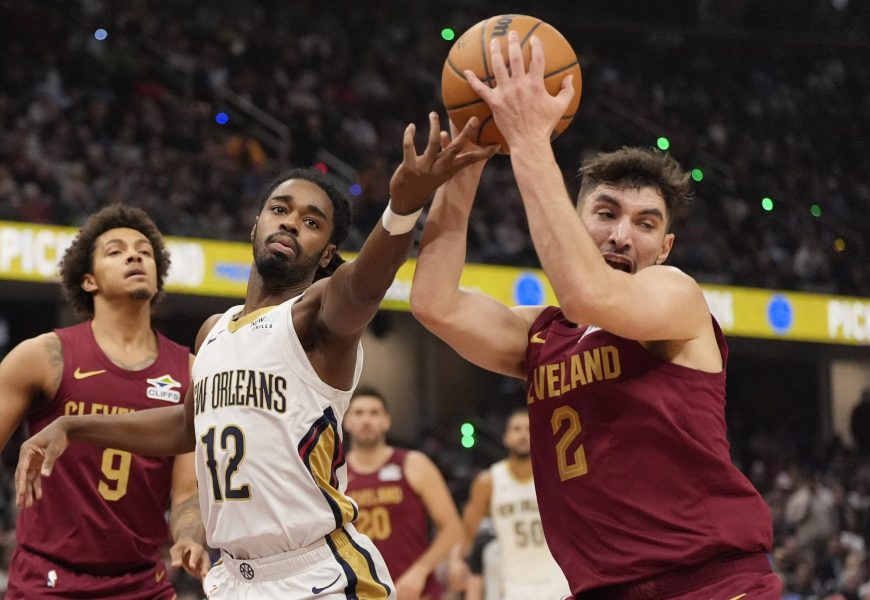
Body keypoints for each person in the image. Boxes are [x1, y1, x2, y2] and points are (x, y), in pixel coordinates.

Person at [16, 112, 496, 599]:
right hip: (234, 578)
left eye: (311, 222)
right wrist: (73, 426)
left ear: (326, 254)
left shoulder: (315, 316)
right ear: (255, 226)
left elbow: (363, 286)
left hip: (319, 574)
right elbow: (185, 426)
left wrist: (402, 207)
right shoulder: (213, 331)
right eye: (280, 209)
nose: (291, 222)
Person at [410, 33, 781, 599]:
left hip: (709, 582)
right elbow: (434, 304)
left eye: (646, 224)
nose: (621, 235)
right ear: (575, 219)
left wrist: (528, 138)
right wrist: (470, 159)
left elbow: (588, 294)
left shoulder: (676, 296)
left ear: (665, 248)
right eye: (605, 213)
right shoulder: (542, 335)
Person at [0, 204, 208, 598]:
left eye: (144, 252)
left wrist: (188, 535)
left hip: (142, 583)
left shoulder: (191, 370)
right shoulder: (43, 356)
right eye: (116, 251)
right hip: (47, 580)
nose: (134, 256)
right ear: (89, 280)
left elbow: (185, 493)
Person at [343, 387, 463, 600]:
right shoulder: (334, 475)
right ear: (347, 422)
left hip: (415, 591)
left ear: (387, 421)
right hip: (360, 592)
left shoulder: (413, 464)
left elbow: (452, 529)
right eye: (359, 413)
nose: (366, 420)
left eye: (374, 413)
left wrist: (420, 571)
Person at [446, 408, 569, 600]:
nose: (523, 435)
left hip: (558, 581)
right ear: (506, 437)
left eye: (529, 429)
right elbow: (468, 531)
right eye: (516, 429)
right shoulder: (488, 481)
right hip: (514, 586)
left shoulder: (556, 476)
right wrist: (455, 559)